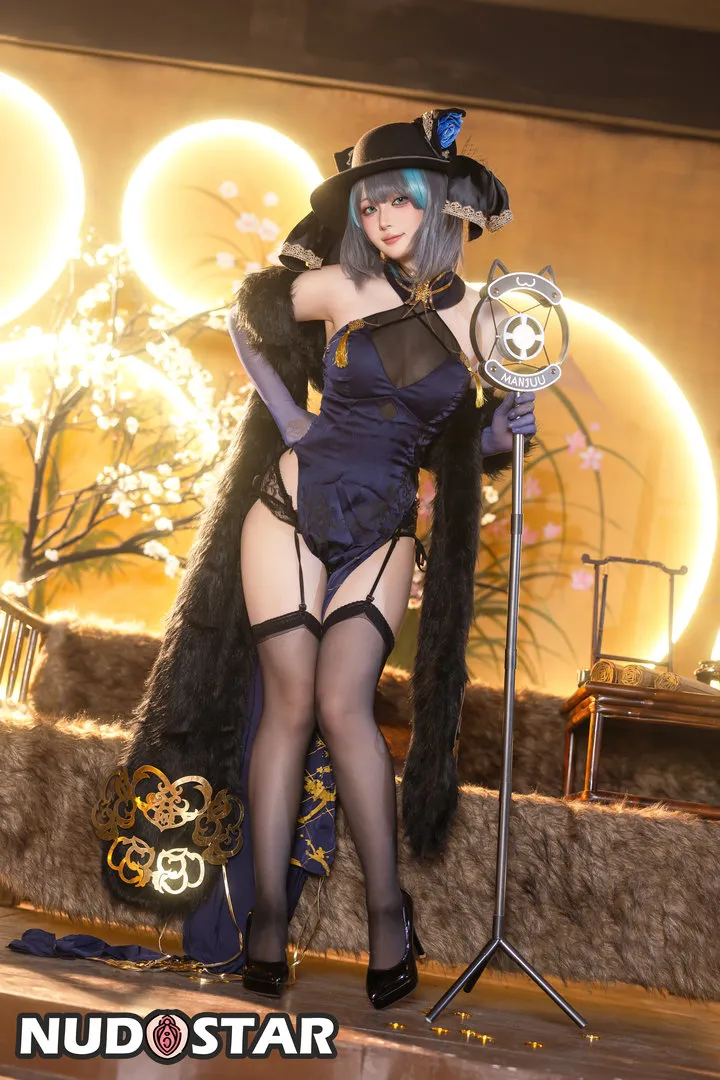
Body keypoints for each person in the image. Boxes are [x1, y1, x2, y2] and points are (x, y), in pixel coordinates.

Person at [63, 107, 535, 1010]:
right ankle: (268, 918)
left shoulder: (484, 319)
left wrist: (506, 430)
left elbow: (471, 445)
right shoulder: (338, 287)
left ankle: (389, 916)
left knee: (344, 706)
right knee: (287, 705)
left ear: (440, 202)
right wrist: (290, 417)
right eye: (369, 206)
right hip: (287, 512)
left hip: (383, 528)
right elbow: (246, 311)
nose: (382, 219)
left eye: (398, 201)